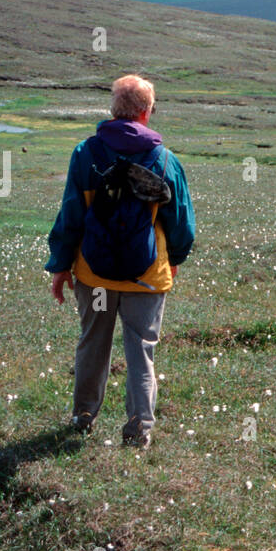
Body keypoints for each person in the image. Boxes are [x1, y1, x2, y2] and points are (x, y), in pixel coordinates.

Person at [45, 74, 195, 447]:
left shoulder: (86, 154)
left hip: (94, 277)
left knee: (93, 343)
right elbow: (181, 224)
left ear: (113, 110)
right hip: (146, 278)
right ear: (146, 112)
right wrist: (173, 259)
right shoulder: (165, 159)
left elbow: (71, 215)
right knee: (141, 351)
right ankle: (138, 431)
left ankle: (83, 417)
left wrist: (61, 266)